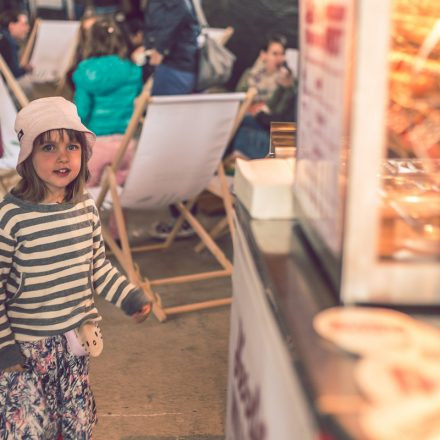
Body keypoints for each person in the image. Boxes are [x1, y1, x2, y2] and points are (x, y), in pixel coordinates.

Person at [0, 96, 151, 438]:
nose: (63, 156)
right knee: (28, 429)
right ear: (27, 157)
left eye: (72, 146)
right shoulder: (11, 219)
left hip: (73, 347)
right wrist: (5, 349)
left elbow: (97, 266)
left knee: (75, 424)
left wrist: (130, 297)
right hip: (24, 352)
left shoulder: (85, 208)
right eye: (49, 147)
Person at [73, 16, 143, 187]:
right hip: (126, 142)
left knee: (85, 192)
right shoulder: (133, 69)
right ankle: (117, 215)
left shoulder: (85, 70)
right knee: (119, 193)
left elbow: (81, 112)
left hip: (95, 144)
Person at [227, 63, 297, 161]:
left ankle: (237, 157)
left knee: (244, 132)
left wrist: (260, 115)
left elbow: (283, 122)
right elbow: (271, 106)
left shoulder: (294, 93)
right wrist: (282, 87)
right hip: (273, 126)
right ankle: (229, 155)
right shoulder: (282, 88)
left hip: (282, 135)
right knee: (244, 120)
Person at [134, 0, 199, 96]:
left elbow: (176, 16)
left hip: (174, 67)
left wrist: (159, 49)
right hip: (173, 65)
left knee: (166, 108)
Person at [236, 33, 287, 116]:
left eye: (282, 54)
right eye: (275, 54)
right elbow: (238, 100)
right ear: (263, 55)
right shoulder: (250, 75)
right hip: (255, 120)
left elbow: (285, 113)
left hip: (282, 126)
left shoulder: (286, 80)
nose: (279, 58)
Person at [0, 9, 32, 90]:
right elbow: (14, 73)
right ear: (12, 25)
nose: (28, 28)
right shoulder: (9, 43)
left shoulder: (3, 37)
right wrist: (26, 69)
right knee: (28, 87)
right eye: (24, 24)